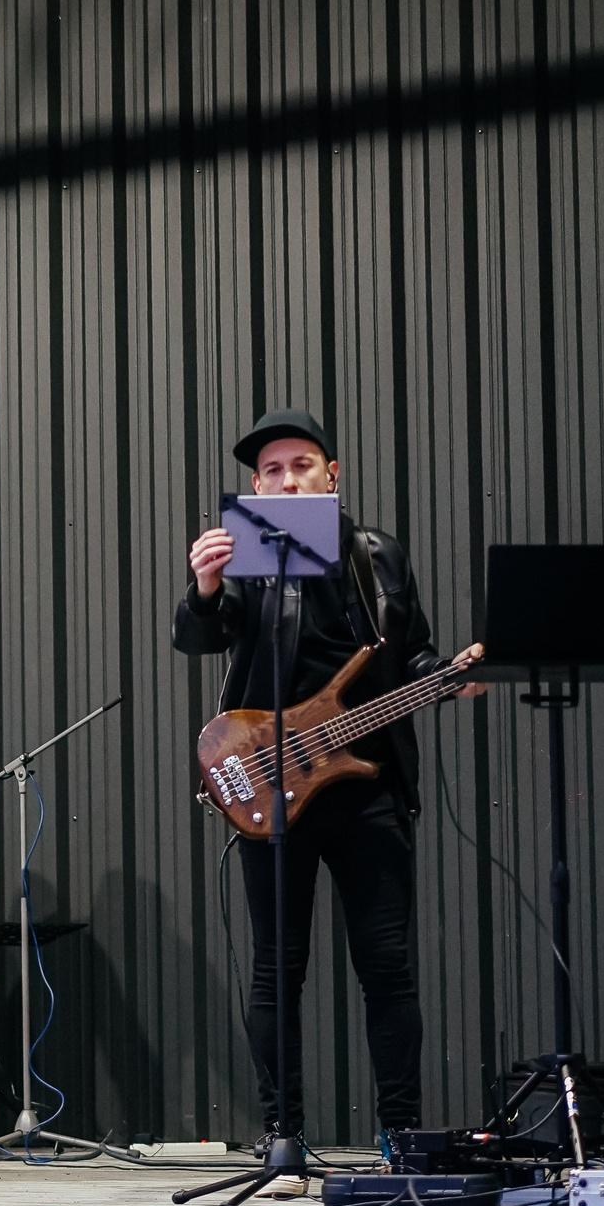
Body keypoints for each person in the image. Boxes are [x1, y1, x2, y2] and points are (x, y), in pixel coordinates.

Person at [175, 409, 483, 1141]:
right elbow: (195, 636)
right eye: (272, 471)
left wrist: (450, 676)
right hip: (272, 782)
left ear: (332, 475)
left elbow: (411, 652)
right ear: (256, 486)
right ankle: (284, 1134)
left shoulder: (379, 555)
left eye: (302, 465)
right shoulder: (246, 555)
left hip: (370, 782)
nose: (287, 479)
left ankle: (400, 1133)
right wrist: (206, 586)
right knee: (277, 970)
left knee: (388, 966)